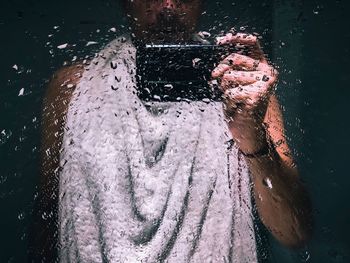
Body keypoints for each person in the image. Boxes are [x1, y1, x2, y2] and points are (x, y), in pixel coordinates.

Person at [31, 0, 313, 262]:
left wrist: (253, 138)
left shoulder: (243, 92)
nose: (168, 4)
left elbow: (294, 233)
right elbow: (49, 218)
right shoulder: (71, 89)